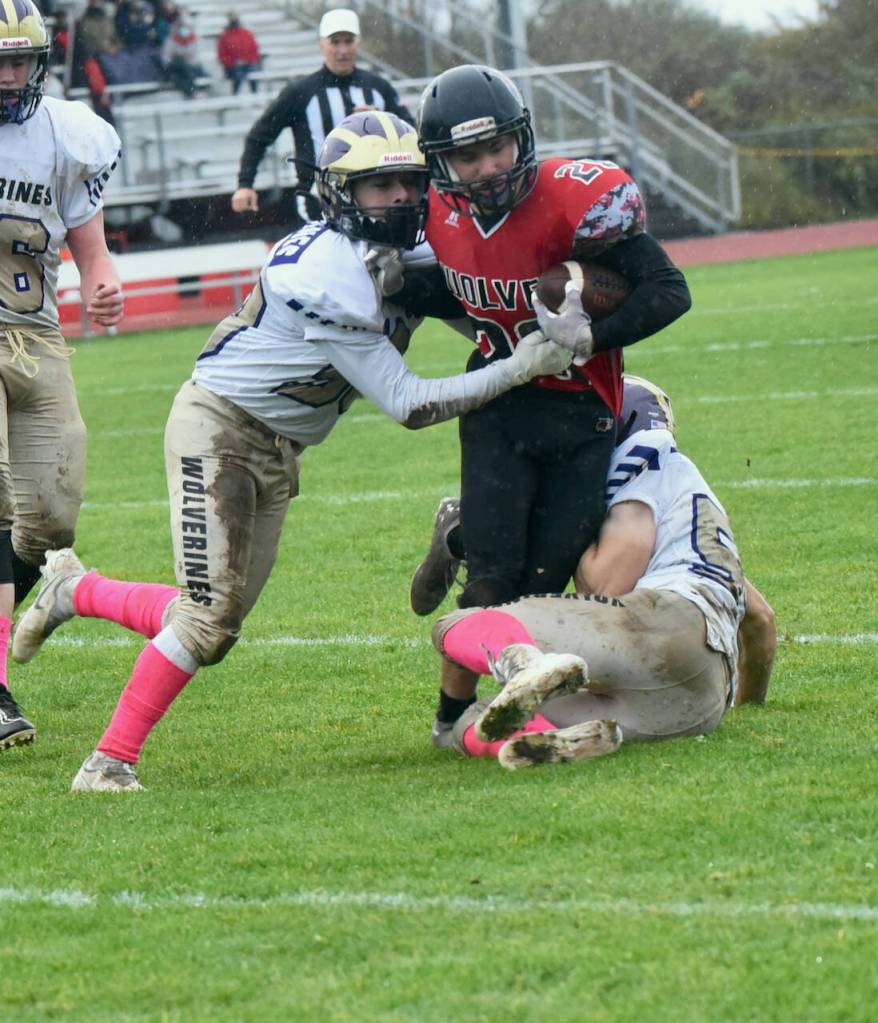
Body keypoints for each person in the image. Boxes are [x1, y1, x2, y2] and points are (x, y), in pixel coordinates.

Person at [10, 111, 572, 789]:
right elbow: (409, 403)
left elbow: (464, 306)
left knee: (214, 622)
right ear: (339, 193)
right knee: (206, 618)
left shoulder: (413, 246)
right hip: (218, 429)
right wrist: (519, 365)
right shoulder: (325, 272)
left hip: (280, 446)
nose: (397, 197)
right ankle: (107, 763)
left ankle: (76, 588)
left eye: (406, 181)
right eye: (377, 185)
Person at [415, 64, 691, 614]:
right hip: (496, 398)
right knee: (494, 585)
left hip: (582, 406)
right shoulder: (428, 211)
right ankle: (458, 704)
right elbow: (454, 289)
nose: (488, 168)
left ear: (520, 136)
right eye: (468, 157)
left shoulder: (573, 201)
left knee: (544, 589)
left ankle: (460, 535)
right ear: (441, 162)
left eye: (496, 147)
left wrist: (593, 337)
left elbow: (669, 290)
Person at [422, 375, 777, 764]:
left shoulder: (642, 461)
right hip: (699, 700)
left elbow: (609, 583)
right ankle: (548, 738)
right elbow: (760, 621)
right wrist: (747, 704)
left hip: (663, 628)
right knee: (480, 721)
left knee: (462, 622)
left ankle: (517, 664)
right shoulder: (691, 507)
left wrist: (559, 530)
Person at [0, 0, 124, 752]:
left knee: (51, 515)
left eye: (19, 59)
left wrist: (102, 283)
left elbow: (91, 247)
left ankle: (27, 595)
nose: (9, 74)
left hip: (35, 333)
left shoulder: (69, 137)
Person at [231, 8, 412, 226]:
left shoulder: (378, 87)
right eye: (335, 42)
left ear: (358, 43)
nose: (343, 50)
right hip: (317, 201)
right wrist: (245, 183)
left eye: (349, 41)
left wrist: (382, 121)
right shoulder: (300, 91)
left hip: (374, 200)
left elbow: (410, 133)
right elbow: (259, 136)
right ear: (322, 45)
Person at [217, 12, 261, 95]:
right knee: (237, 76)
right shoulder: (224, 36)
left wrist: (247, 60)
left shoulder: (246, 33)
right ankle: (235, 95)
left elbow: (255, 50)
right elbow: (222, 56)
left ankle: (255, 94)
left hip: (248, 63)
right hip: (232, 66)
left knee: (253, 72)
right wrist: (233, 62)